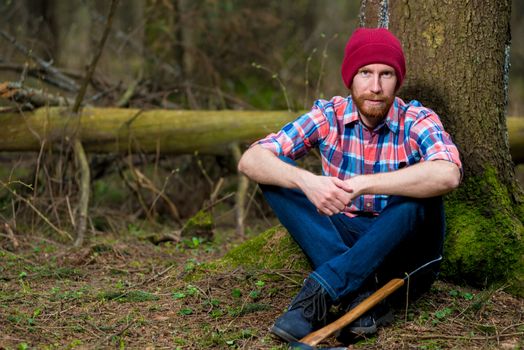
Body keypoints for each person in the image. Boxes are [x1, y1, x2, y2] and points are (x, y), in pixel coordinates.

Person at [237, 27, 462, 345]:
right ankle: (362, 293)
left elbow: (448, 174)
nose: (375, 86)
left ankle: (319, 293)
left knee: (418, 195)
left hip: (404, 256)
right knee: (277, 177)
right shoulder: (329, 116)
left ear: (397, 80)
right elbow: (252, 159)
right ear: (349, 78)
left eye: (386, 75)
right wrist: (308, 181)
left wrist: (362, 185)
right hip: (345, 234)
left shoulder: (417, 119)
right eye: (365, 73)